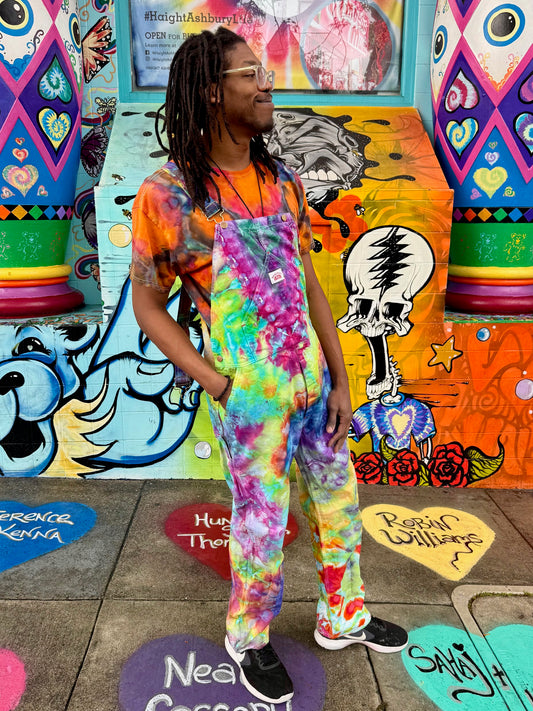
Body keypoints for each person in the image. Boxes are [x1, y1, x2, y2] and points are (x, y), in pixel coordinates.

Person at [131, 27, 408, 706]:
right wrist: (217, 382)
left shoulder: (281, 180)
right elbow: (147, 306)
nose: (266, 85)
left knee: (339, 505)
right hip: (250, 397)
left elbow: (311, 285)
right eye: (250, 73)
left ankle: (343, 615)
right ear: (210, 91)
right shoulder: (167, 197)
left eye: (265, 73)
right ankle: (248, 635)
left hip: (314, 385)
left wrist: (341, 378)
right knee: (260, 520)